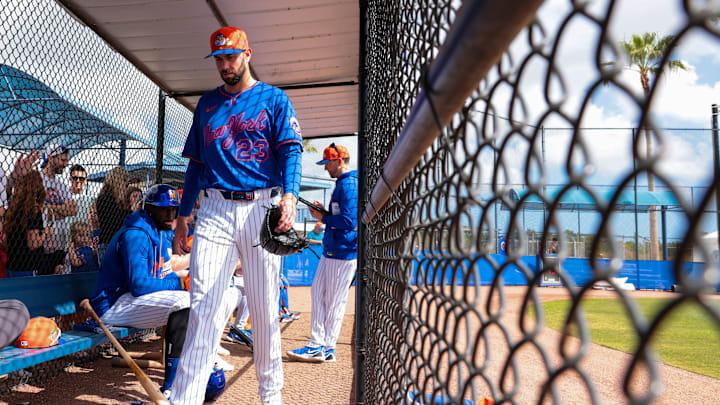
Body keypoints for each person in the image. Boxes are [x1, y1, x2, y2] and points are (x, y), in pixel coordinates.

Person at [170, 26, 303, 405]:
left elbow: (292, 152)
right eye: (219, 59)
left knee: (262, 307)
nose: (224, 65)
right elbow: (195, 164)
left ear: (248, 54)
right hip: (213, 208)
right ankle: (186, 397)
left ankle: (270, 395)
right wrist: (183, 217)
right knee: (203, 307)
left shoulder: (273, 99)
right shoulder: (207, 104)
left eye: (230, 57)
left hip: (261, 205)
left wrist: (290, 198)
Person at [89, 184, 190, 397]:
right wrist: (177, 285)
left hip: (129, 300)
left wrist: (175, 283)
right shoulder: (136, 234)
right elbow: (140, 286)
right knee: (183, 302)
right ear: (150, 208)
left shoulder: (160, 233)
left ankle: (186, 376)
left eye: (174, 209)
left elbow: (166, 275)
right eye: (164, 209)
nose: (170, 214)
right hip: (111, 306)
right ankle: (170, 388)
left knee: (189, 303)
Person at [287, 143, 357, 364]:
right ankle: (319, 346)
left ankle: (325, 348)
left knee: (334, 301)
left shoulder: (349, 185)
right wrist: (323, 212)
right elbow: (341, 216)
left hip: (343, 252)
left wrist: (322, 217)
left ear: (339, 161)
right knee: (318, 293)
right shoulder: (343, 184)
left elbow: (348, 221)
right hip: (334, 249)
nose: (325, 168)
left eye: (328, 163)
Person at [4, 171, 52, 277]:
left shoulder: (13, 209)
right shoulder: (33, 210)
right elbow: (33, 243)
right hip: (29, 267)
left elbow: (6, 243)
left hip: (12, 266)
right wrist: (46, 234)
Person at [40, 144, 77, 274]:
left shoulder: (62, 185)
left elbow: (73, 210)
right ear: (50, 158)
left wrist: (49, 208)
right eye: (62, 160)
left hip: (60, 245)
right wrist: (62, 210)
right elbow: (37, 209)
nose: (66, 164)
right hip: (41, 245)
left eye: (66, 160)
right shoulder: (37, 179)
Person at [95, 167, 132, 258]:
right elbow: (116, 221)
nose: (126, 188)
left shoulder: (118, 200)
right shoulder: (106, 198)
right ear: (119, 182)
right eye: (126, 184)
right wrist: (132, 211)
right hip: (109, 243)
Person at [64, 164, 93, 231]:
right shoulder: (63, 196)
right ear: (70, 179)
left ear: (86, 180)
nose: (78, 181)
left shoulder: (90, 200)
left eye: (81, 178)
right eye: (75, 178)